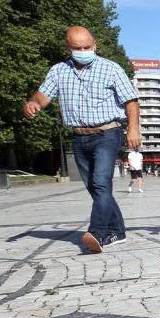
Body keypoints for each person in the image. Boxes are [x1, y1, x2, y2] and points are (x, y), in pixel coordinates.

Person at [24, 26, 140, 253]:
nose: (83, 51)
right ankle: (117, 231)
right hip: (78, 137)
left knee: (101, 183)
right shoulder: (58, 71)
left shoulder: (111, 69)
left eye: (87, 47)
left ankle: (96, 232)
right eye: (77, 48)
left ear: (95, 45)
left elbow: (131, 101)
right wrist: (32, 103)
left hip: (107, 133)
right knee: (96, 189)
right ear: (68, 47)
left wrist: (133, 129)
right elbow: (42, 96)